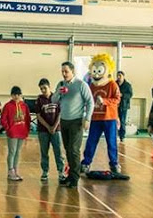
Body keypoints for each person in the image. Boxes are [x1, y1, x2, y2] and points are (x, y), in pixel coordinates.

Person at [52, 61, 94, 189]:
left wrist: (87, 119)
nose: (64, 74)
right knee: (68, 150)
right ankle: (70, 175)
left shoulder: (81, 85)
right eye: (62, 72)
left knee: (74, 150)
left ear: (72, 71)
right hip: (64, 121)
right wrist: (59, 92)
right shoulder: (60, 85)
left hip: (76, 122)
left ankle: (75, 178)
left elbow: (90, 102)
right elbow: (53, 101)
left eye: (66, 71)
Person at [81, 54, 121, 174]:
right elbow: (88, 101)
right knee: (91, 141)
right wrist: (87, 117)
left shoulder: (112, 84)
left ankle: (114, 164)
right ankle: (86, 163)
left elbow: (117, 99)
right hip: (96, 118)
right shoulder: (92, 85)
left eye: (100, 70)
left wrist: (105, 101)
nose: (97, 74)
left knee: (111, 142)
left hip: (109, 118)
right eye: (94, 70)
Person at [35, 78, 66, 183]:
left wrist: (54, 126)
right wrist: (48, 127)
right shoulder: (39, 100)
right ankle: (45, 171)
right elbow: (38, 116)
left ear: (49, 87)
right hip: (43, 130)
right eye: (41, 88)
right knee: (44, 152)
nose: (43, 90)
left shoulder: (56, 98)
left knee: (58, 151)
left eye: (45, 88)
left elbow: (60, 113)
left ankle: (61, 172)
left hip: (56, 130)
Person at [1, 86, 31, 181]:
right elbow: (3, 119)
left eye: (18, 94)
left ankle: (15, 170)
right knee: (12, 151)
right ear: (11, 95)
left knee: (18, 152)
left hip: (22, 131)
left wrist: (27, 129)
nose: (16, 96)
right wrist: (8, 129)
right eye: (14, 95)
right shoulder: (8, 106)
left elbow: (28, 119)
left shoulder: (24, 106)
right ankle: (10, 171)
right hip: (12, 132)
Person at [117, 71, 133, 142]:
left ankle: (122, 136)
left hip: (123, 106)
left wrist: (122, 95)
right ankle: (114, 135)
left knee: (122, 121)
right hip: (115, 105)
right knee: (114, 121)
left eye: (120, 76)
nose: (119, 77)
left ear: (123, 76)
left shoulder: (127, 85)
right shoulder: (114, 84)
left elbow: (130, 94)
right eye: (118, 76)